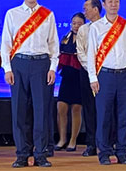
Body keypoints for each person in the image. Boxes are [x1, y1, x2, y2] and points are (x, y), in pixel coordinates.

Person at [1, 0, 59, 168]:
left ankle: (41, 154)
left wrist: (52, 68)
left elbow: (53, 44)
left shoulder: (47, 15)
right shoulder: (12, 14)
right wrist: (7, 68)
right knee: (19, 111)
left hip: (42, 64)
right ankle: (22, 154)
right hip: (19, 64)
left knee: (41, 111)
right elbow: (6, 43)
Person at [87, 0, 126, 165]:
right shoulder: (96, 27)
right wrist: (93, 78)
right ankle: (104, 152)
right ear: (103, 4)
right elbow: (91, 54)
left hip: (123, 75)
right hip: (104, 75)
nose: (113, 4)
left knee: (123, 115)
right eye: (110, 1)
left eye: (116, 1)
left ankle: (122, 152)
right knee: (104, 116)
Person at [55, 12, 85, 151]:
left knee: (76, 108)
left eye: (79, 23)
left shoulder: (87, 38)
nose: (76, 26)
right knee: (61, 107)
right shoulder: (65, 38)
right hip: (67, 76)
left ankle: (73, 140)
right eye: (74, 23)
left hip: (80, 77)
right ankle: (62, 139)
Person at [76, 0, 102, 157]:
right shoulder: (83, 29)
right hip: (86, 73)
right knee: (89, 108)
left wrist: (100, 69)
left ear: (96, 9)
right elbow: (80, 52)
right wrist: (91, 69)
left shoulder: (108, 27)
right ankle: (91, 143)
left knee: (106, 108)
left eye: (86, 8)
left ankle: (107, 142)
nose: (84, 11)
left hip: (106, 73)